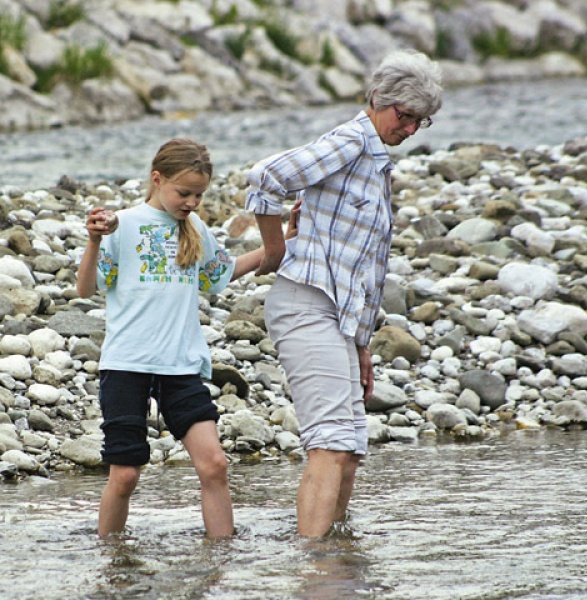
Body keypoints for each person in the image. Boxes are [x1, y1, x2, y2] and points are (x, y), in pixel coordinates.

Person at [245, 49, 443, 537]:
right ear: (378, 99)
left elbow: (364, 268)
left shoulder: (377, 164)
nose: (412, 130)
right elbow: (266, 177)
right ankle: (315, 570)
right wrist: (274, 250)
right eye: (406, 116)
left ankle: (336, 561)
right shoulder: (352, 141)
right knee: (330, 444)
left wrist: (361, 346)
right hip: (306, 305)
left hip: (338, 319)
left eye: (423, 121)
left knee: (350, 451)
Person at [77, 138, 297, 539]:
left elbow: (221, 274)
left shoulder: (194, 228)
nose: (192, 202)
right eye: (184, 192)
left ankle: (221, 558)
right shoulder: (121, 225)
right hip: (126, 365)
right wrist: (94, 240)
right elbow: (85, 288)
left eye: (199, 194)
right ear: (157, 180)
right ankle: (111, 561)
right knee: (125, 475)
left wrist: (280, 243)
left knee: (214, 464)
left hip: (181, 365)